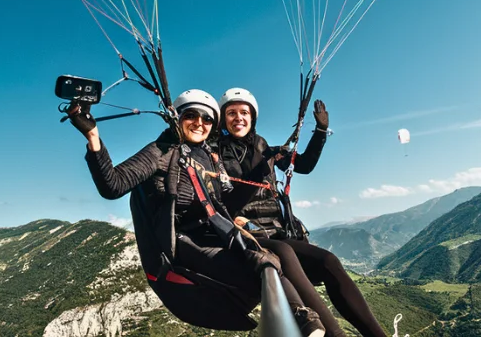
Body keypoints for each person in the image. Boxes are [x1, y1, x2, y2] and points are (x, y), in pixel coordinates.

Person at [65, 88, 326, 337]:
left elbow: (221, 201)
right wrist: (93, 137)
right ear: (177, 118)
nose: (199, 123)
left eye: (207, 118)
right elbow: (113, 185)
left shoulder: (209, 157)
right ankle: (300, 321)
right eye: (191, 115)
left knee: (272, 256)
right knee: (261, 264)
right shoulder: (160, 152)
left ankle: (305, 318)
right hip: (186, 244)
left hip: (218, 235)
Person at [216, 88, 389, 337]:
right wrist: (257, 172)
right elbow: (223, 205)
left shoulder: (264, 147)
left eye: (244, 112)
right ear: (223, 119)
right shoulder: (214, 153)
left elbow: (304, 165)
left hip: (278, 233)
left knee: (328, 262)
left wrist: (320, 132)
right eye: (231, 113)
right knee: (285, 253)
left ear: (253, 117)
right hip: (247, 237)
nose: (238, 118)